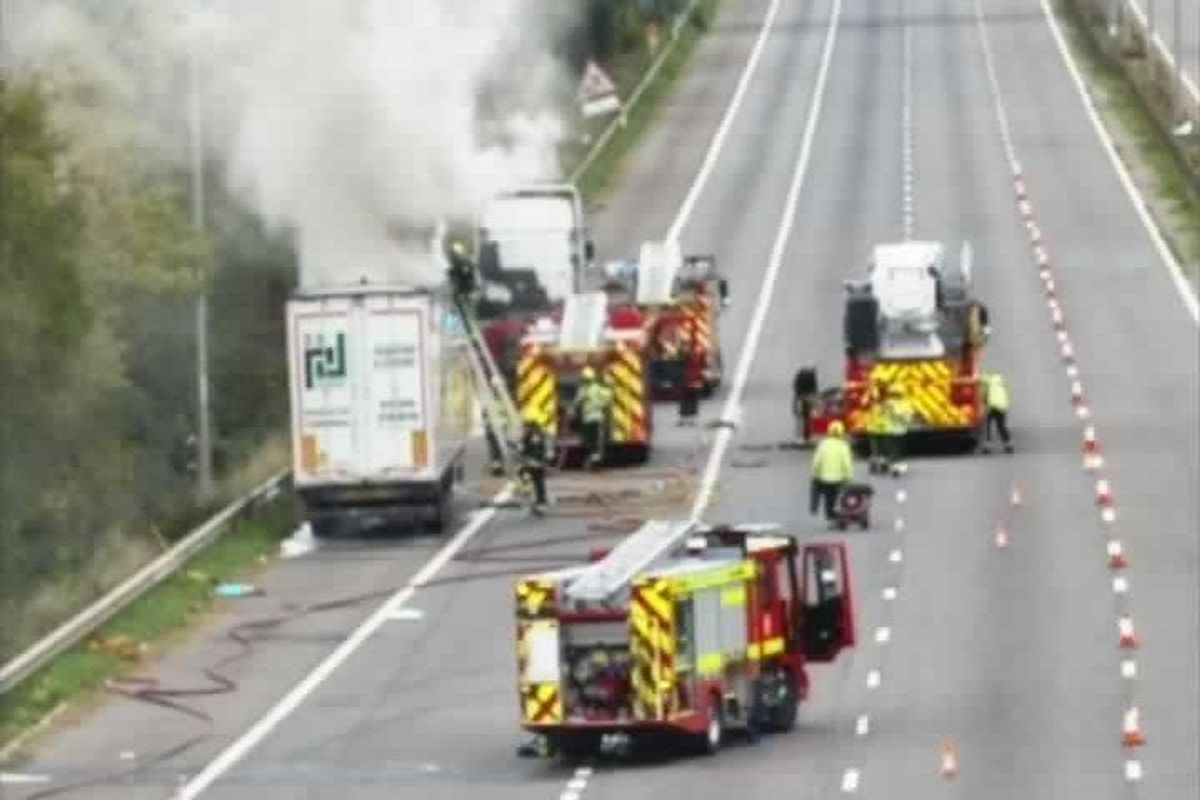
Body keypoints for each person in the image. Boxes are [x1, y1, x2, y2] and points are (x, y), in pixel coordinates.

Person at [810, 421, 855, 523]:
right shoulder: (843, 446)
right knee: (837, 495)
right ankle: (839, 512)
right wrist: (849, 477)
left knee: (827, 495)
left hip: (824, 479)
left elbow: (816, 461)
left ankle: (819, 509)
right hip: (839, 479)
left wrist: (815, 474)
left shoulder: (823, 445)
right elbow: (847, 463)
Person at [573, 367, 613, 468]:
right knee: (596, 440)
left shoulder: (584, 390)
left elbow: (577, 402)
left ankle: (592, 460)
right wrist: (601, 405)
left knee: (589, 440)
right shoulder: (598, 388)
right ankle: (596, 460)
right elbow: (608, 397)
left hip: (588, 419)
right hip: (598, 417)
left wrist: (574, 411)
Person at [519, 413, 551, 513]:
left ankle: (541, 503)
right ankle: (537, 501)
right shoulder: (529, 435)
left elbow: (537, 449)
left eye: (526, 426)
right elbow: (524, 449)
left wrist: (535, 460)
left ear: (531, 426)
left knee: (538, 481)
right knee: (526, 475)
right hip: (532, 461)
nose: (524, 428)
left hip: (536, 462)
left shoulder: (535, 435)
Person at [881, 386, 913, 477]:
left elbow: (883, 414)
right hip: (898, 430)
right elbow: (908, 418)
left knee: (893, 449)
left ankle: (889, 464)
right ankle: (894, 466)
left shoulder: (889, 403)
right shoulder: (905, 404)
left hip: (892, 430)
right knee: (896, 449)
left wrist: (894, 414)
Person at [981, 371, 1013, 454]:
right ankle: (1008, 444)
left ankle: (987, 446)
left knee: (988, 426)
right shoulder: (1001, 384)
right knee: (1001, 426)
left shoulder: (990, 380)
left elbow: (980, 379)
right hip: (1002, 406)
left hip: (992, 405)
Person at [792, 368, 818, 444]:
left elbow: (813, 390)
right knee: (804, 418)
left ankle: (804, 437)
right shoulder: (808, 377)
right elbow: (813, 390)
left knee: (805, 418)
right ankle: (804, 437)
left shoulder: (803, 377)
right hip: (802, 397)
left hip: (802, 397)